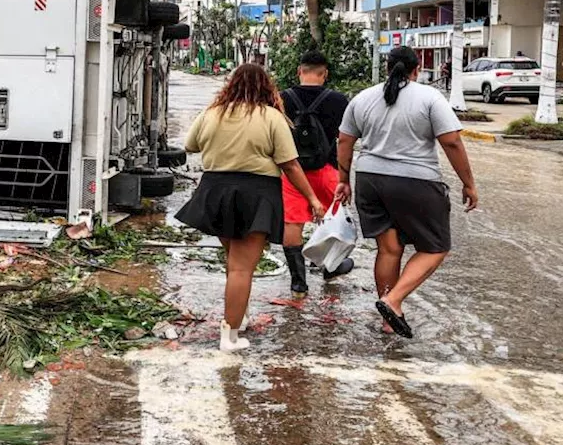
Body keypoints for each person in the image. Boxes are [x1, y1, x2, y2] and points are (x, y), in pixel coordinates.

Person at [177, 63, 326, 352]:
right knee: (241, 269)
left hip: (214, 191)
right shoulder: (271, 116)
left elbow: (190, 144)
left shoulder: (212, 113)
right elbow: (290, 164)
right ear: (267, 87)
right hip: (255, 193)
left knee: (234, 261)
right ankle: (229, 336)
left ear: (230, 84)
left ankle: (238, 316)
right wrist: (312, 199)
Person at [334, 46, 477, 339]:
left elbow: (345, 140)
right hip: (417, 181)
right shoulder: (429, 97)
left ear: (387, 68)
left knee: (389, 249)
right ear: (416, 70)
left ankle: (390, 319)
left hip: (370, 180)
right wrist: (469, 183)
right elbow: (451, 142)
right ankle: (393, 300)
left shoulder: (362, 98)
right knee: (436, 247)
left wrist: (343, 180)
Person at [279, 51, 352, 298]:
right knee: (334, 221)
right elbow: (345, 140)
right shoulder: (339, 100)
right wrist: (345, 177)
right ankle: (330, 268)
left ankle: (298, 283)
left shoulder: (282, 98)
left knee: (293, 223)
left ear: (300, 70)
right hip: (329, 170)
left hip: (293, 172)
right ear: (325, 74)